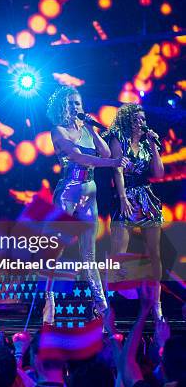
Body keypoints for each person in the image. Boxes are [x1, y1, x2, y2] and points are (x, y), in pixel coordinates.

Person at [45, 86, 128, 323]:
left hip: (90, 191)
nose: (75, 107)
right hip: (68, 191)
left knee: (88, 254)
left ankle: (102, 307)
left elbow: (102, 152)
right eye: (71, 103)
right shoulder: (58, 131)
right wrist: (113, 162)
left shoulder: (87, 129)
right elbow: (79, 157)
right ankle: (49, 297)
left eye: (78, 103)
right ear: (62, 107)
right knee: (57, 248)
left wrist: (93, 129)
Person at [106, 103, 165, 321]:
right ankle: (110, 302)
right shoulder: (117, 138)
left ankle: (156, 305)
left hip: (146, 196)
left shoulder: (148, 143)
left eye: (143, 118)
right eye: (137, 119)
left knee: (154, 252)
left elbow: (158, 173)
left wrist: (153, 144)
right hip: (125, 195)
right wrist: (122, 198)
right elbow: (117, 170)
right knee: (118, 253)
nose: (141, 122)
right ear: (128, 120)